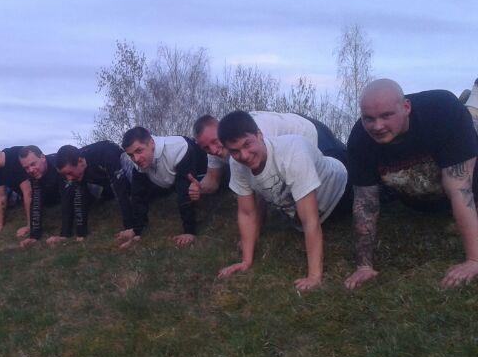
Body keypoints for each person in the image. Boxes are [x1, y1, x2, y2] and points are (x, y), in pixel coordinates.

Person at [345, 78, 478, 289]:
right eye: (368, 118)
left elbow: (460, 190)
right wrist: (364, 266)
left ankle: (472, 103)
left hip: (466, 172)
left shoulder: (441, 112)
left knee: (472, 121)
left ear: (406, 107)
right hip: (422, 195)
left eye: (386, 115)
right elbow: (365, 205)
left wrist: (474, 260)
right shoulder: (360, 141)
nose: (377, 126)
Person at [214, 111, 350, 293]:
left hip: (341, 193)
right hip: (304, 210)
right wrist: (246, 261)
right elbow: (247, 213)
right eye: (235, 151)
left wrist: (314, 276)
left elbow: (310, 220)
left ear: (259, 135)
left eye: (248, 144)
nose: (244, 155)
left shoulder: (293, 151)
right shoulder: (237, 165)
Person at [120, 126, 208, 248]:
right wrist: (137, 231)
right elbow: (138, 196)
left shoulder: (178, 147)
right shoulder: (139, 161)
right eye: (131, 155)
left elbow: (185, 190)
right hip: (168, 179)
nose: (136, 159)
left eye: (139, 151)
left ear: (151, 143)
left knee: (184, 188)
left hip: (201, 172)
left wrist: (189, 231)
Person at [48, 141, 135, 244]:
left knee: (121, 184)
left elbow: (120, 189)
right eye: (65, 175)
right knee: (73, 186)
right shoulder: (74, 166)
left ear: (80, 161)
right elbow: (69, 199)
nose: (69, 178)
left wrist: (130, 227)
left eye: (70, 173)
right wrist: (69, 234)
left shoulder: (105, 153)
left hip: (127, 175)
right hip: (103, 181)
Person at [193, 111, 346, 169]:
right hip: (289, 140)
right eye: (206, 148)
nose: (213, 150)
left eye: (214, 141)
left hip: (309, 132)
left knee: (346, 169)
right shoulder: (212, 151)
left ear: (220, 128)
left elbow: (265, 176)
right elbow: (212, 182)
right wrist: (197, 188)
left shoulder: (257, 132)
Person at [18, 145, 65, 247]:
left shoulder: (58, 164)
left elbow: (68, 199)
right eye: (26, 168)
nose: (30, 170)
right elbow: (36, 201)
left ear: (43, 158)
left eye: (33, 164)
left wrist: (64, 234)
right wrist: (34, 236)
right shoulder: (33, 173)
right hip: (52, 193)